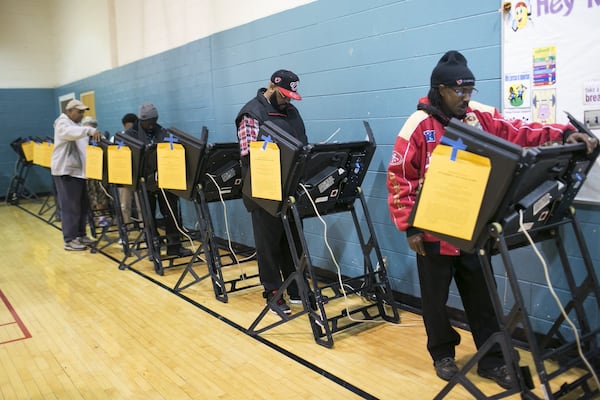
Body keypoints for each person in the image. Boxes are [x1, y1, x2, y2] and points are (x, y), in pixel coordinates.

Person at [386, 50, 598, 388]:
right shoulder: (417, 126)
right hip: (431, 230)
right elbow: (400, 177)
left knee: (483, 298)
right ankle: (442, 353)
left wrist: (560, 134)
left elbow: (520, 130)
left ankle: (492, 360)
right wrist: (410, 226)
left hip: (472, 228)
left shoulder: (480, 117)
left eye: (470, 90)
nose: (465, 97)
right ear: (439, 89)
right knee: (435, 301)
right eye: (458, 91)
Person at [235, 69, 307, 315]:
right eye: (284, 95)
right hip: (262, 188)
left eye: (291, 97)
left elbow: (301, 142)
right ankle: (273, 292)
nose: (287, 101)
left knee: (293, 240)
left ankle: (297, 289)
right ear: (272, 87)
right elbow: (250, 154)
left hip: (289, 186)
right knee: (268, 245)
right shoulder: (251, 114)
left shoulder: (291, 112)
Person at [124, 103, 192, 257]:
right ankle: (153, 247)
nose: (152, 124)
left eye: (155, 120)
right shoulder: (130, 134)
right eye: (149, 121)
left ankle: (174, 246)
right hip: (144, 181)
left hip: (164, 179)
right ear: (141, 120)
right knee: (148, 215)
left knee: (172, 212)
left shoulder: (162, 131)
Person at [51, 99, 103, 250]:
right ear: (69, 111)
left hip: (78, 172)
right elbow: (69, 134)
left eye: (83, 112)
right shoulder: (62, 123)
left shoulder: (76, 125)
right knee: (70, 206)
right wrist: (89, 130)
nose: (81, 115)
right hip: (66, 172)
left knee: (82, 205)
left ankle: (80, 235)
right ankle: (70, 239)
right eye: (79, 112)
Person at [82, 116, 112, 228]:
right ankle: (91, 218)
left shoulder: (101, 138)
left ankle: (102, 217)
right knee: (90, 195)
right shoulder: (81, 139)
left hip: (100, 172)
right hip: (87, 172)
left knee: (101, 195)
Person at [115, 113, 140, 224]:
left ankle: (145, 231)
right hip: (124, 176)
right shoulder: (118, 138)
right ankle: (126, 230)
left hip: (137, 175)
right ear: (124, 126)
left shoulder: (140, 137)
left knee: (141, 207)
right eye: (128, 126)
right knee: (125, 206)